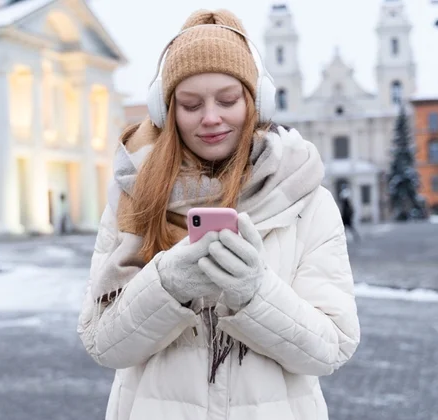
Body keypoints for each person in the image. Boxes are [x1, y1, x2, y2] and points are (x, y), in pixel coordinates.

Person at [77, 9, 360, 420]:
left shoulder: (306, 201)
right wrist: (166, 284)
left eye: (227, 100)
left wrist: (255, 292)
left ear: (255, 100)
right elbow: (102, 343)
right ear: (166, 111)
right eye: (191, 105)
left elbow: (331, 347)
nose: (211, 118)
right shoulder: (133, 197)